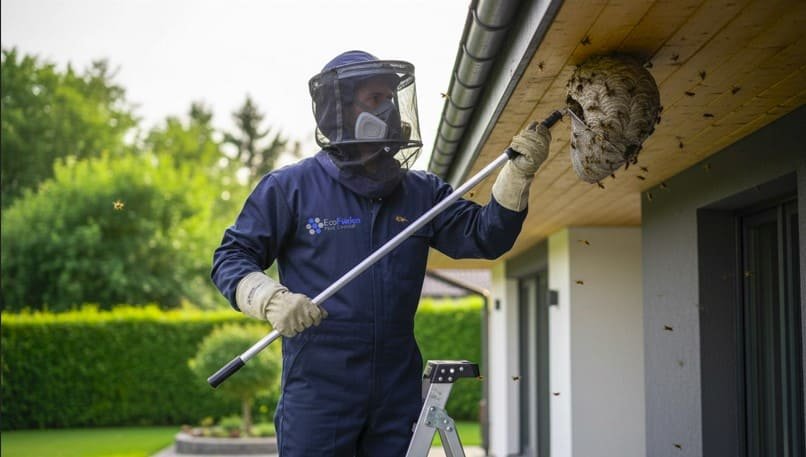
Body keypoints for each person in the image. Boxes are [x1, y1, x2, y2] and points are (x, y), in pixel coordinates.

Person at [211, 50, 550, 456]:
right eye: (375, 100)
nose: (388, 109)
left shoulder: (421, 192)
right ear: (337, 110)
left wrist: (517, 175)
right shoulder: (291, 188)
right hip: (318, 394)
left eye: (391, 97)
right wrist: (270, 299)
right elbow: (230, 257)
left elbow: (485, 237)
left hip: (396, 392)